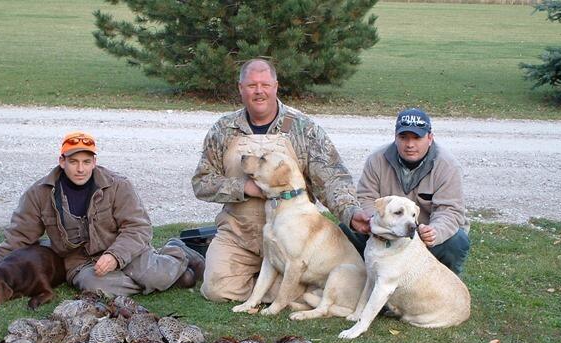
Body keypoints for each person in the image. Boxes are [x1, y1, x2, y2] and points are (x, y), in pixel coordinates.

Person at [191, 58, 369, 302]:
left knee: (294, 272)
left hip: (291, 239)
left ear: (276, 86)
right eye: (252, 85)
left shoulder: (303, 128)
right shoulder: (223, 129)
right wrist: (245, 187)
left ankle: (280, 286)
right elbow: (202, 182)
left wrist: (351, 212)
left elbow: (332, 178)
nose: (259, 91)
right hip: (237, 235)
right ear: (240, 88)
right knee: (215, 289)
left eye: (265, 84)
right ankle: (284, 290)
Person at [0, 131, 205, 296]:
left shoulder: (118, 185)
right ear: (62, 161)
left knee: (154, 277)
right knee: (96, 288)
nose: (80, 169)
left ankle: (177, 252)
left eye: (86, 162)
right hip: (81, 261)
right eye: (73, 162)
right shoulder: (39, 193)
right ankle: (169, 277)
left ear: (94, 162)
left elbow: (138, 227)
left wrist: (115, 256)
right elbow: (19, 236)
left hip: (123, 248)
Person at [353, 108, 470, 275]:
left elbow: (450, 211)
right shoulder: (377, 159)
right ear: (395, 137)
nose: (410, 145)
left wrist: (434, 231)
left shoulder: (448, 166)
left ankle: (443, 291)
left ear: (430, 138)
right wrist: (377, 223)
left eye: (417, 137)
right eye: (403, 137)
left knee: (456, 241)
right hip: (386, 231)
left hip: (421, 236)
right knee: (349, 227)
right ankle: (363, 280)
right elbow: (365, 197)